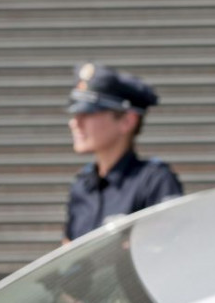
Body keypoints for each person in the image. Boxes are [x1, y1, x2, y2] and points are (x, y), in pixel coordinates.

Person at [63, 62, 183, 243]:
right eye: (75, 114)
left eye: (87, 113)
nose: (75, 123)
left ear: (127, 121)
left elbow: (169, 249)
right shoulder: (82, 185)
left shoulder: (154, 182)